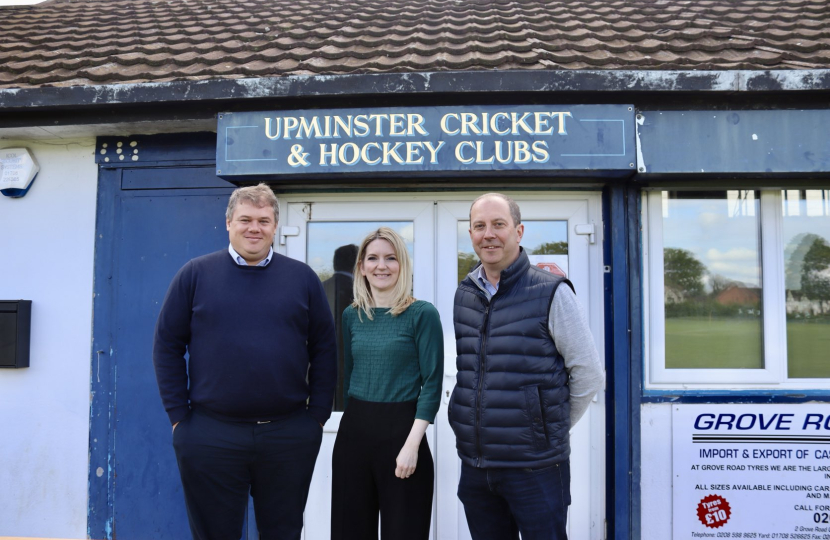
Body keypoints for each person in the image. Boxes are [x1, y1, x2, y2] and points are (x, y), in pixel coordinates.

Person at [152, 183, 337, 540]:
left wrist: (316, 418)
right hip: (210, 433)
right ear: (228, 223)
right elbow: (167, 345)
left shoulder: (302, 279)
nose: (255, 228)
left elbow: (325, 349)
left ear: (275, 225)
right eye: (246, 219)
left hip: (287, 434)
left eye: (264, 220)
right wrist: (179, 418)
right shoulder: (195, 275)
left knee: (282, 532)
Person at [448, 193, 604, 540]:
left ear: (518, 232)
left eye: (498, 225)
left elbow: (589, 372)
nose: (488, 234)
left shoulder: (551, 292)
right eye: (479, 226)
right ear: (471, 234)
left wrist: (548, 427)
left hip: (535, 467)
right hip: (477, 466)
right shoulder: (465, 294)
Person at [331, 227, 443, 540]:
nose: (382, 266)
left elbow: (432, 384)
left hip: (403, 435)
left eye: (390, 258)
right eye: (373, 258)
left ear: (402, 264)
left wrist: (412, 446)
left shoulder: (422, 314)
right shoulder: (351, 316)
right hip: (354, 435)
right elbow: (349, 378)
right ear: (362, 267)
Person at [322, 244, 359, 410]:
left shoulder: (322, 287)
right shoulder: (358, 292)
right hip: (350, 361)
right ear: (357, 264)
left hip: (322, 360)